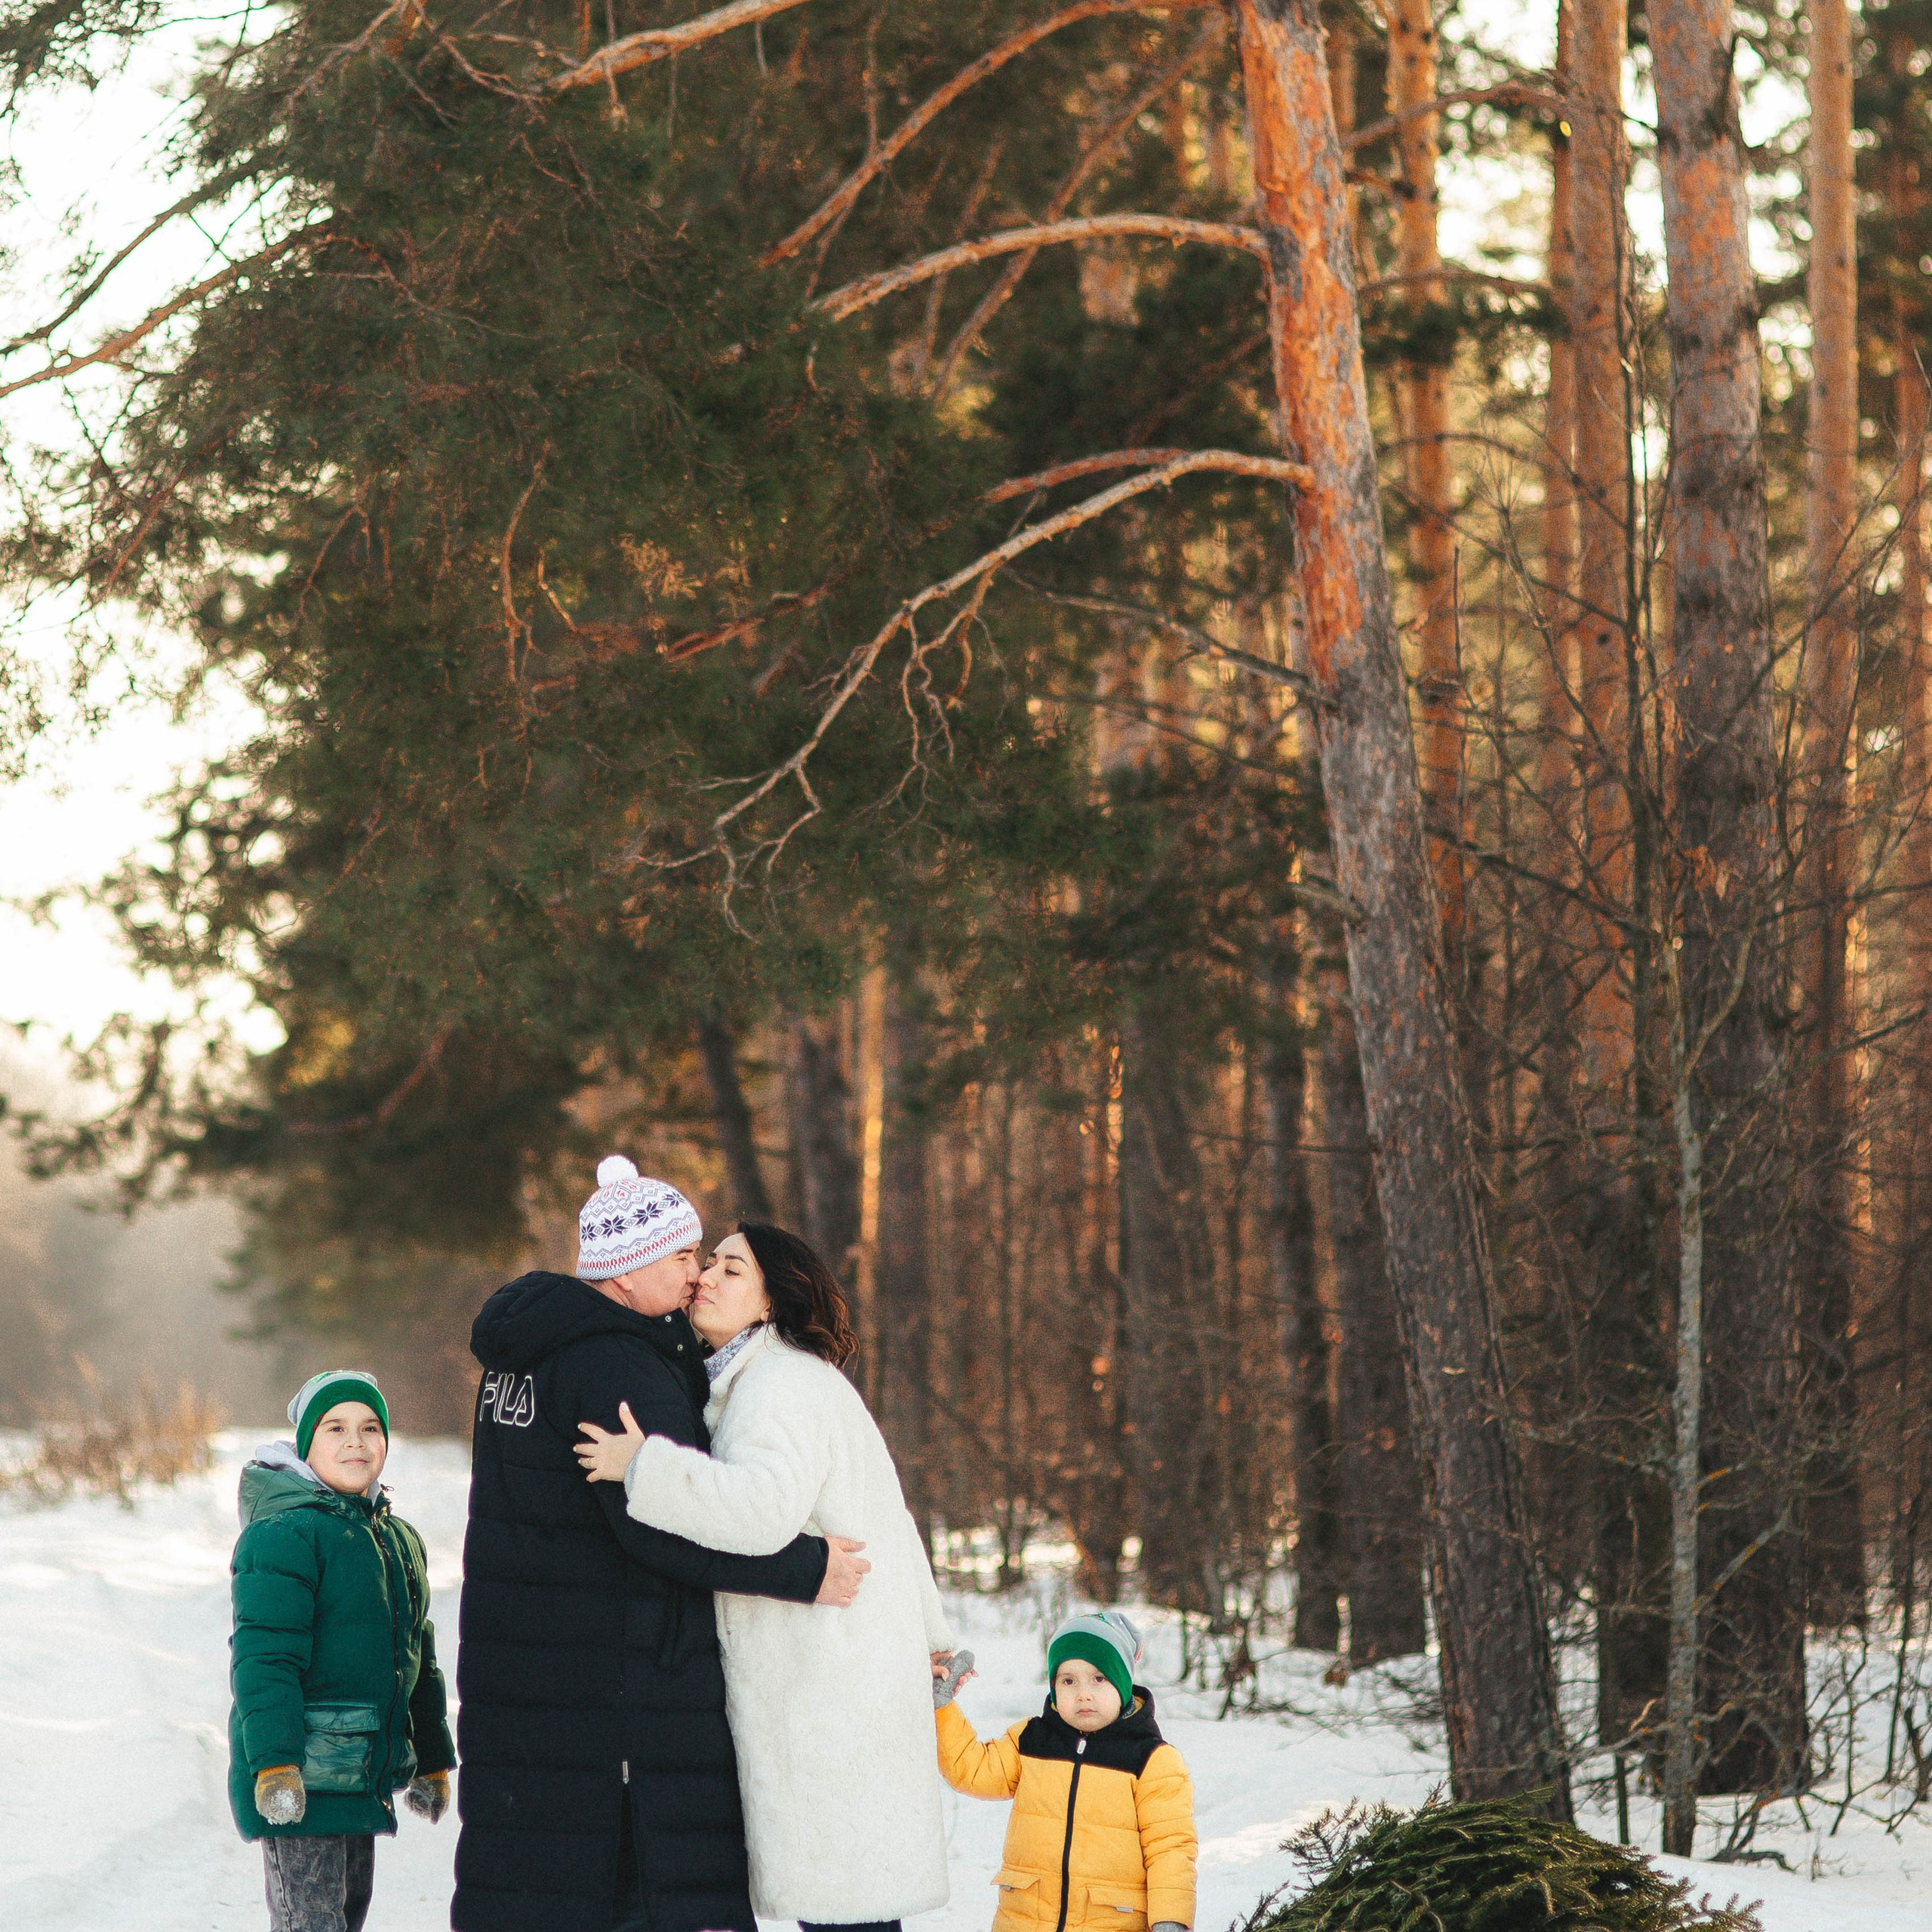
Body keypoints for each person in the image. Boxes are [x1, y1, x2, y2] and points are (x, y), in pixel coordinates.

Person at [455, 1158, 872, 1932]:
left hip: (533, 1682)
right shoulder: (618, 1362)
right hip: (621, 1690)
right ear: (627, 1266)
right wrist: (807, 1569)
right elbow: (668, 1527)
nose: (695, 1275)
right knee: (630, 1899)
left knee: (536, 1889)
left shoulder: (525, 1354)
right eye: (683, 1256)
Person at [576, 1220, 952, 1932]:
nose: (706, 1278)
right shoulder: (777, 1378)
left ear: (772, 1301)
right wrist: (931, 1633)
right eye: (708, 1263)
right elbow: (893, 1516)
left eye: (732, 1270)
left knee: (846, 1906)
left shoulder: (777, 1384)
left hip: (825, 1687)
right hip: (841, 1675)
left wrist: (645, 1466)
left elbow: (761, 1513)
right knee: (852, 1901)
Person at [228, 1370, 455, 1932]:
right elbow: (266, 1659)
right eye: (336, 1427)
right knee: (311, 1922)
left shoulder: (396, 1539)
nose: (356, 1441)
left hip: (359, 1773)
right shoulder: (285, 1535)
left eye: (370, 1427)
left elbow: (417, 1660)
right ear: (307, 1444)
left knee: (346, 1917)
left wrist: (431, 1757)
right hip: (300, 1776)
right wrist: (275, 1764)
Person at [933, 1608, 1196, 1932]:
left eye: (1099, 1679)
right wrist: (943, 1707)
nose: (1083, 1693)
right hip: (1026, 1921)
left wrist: (1170, 1920)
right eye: (1068, 1681)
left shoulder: (1151, 1759)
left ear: (1123, 1684)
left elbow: (1170, 1849)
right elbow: (970, 1770)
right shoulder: (1031, 1740)